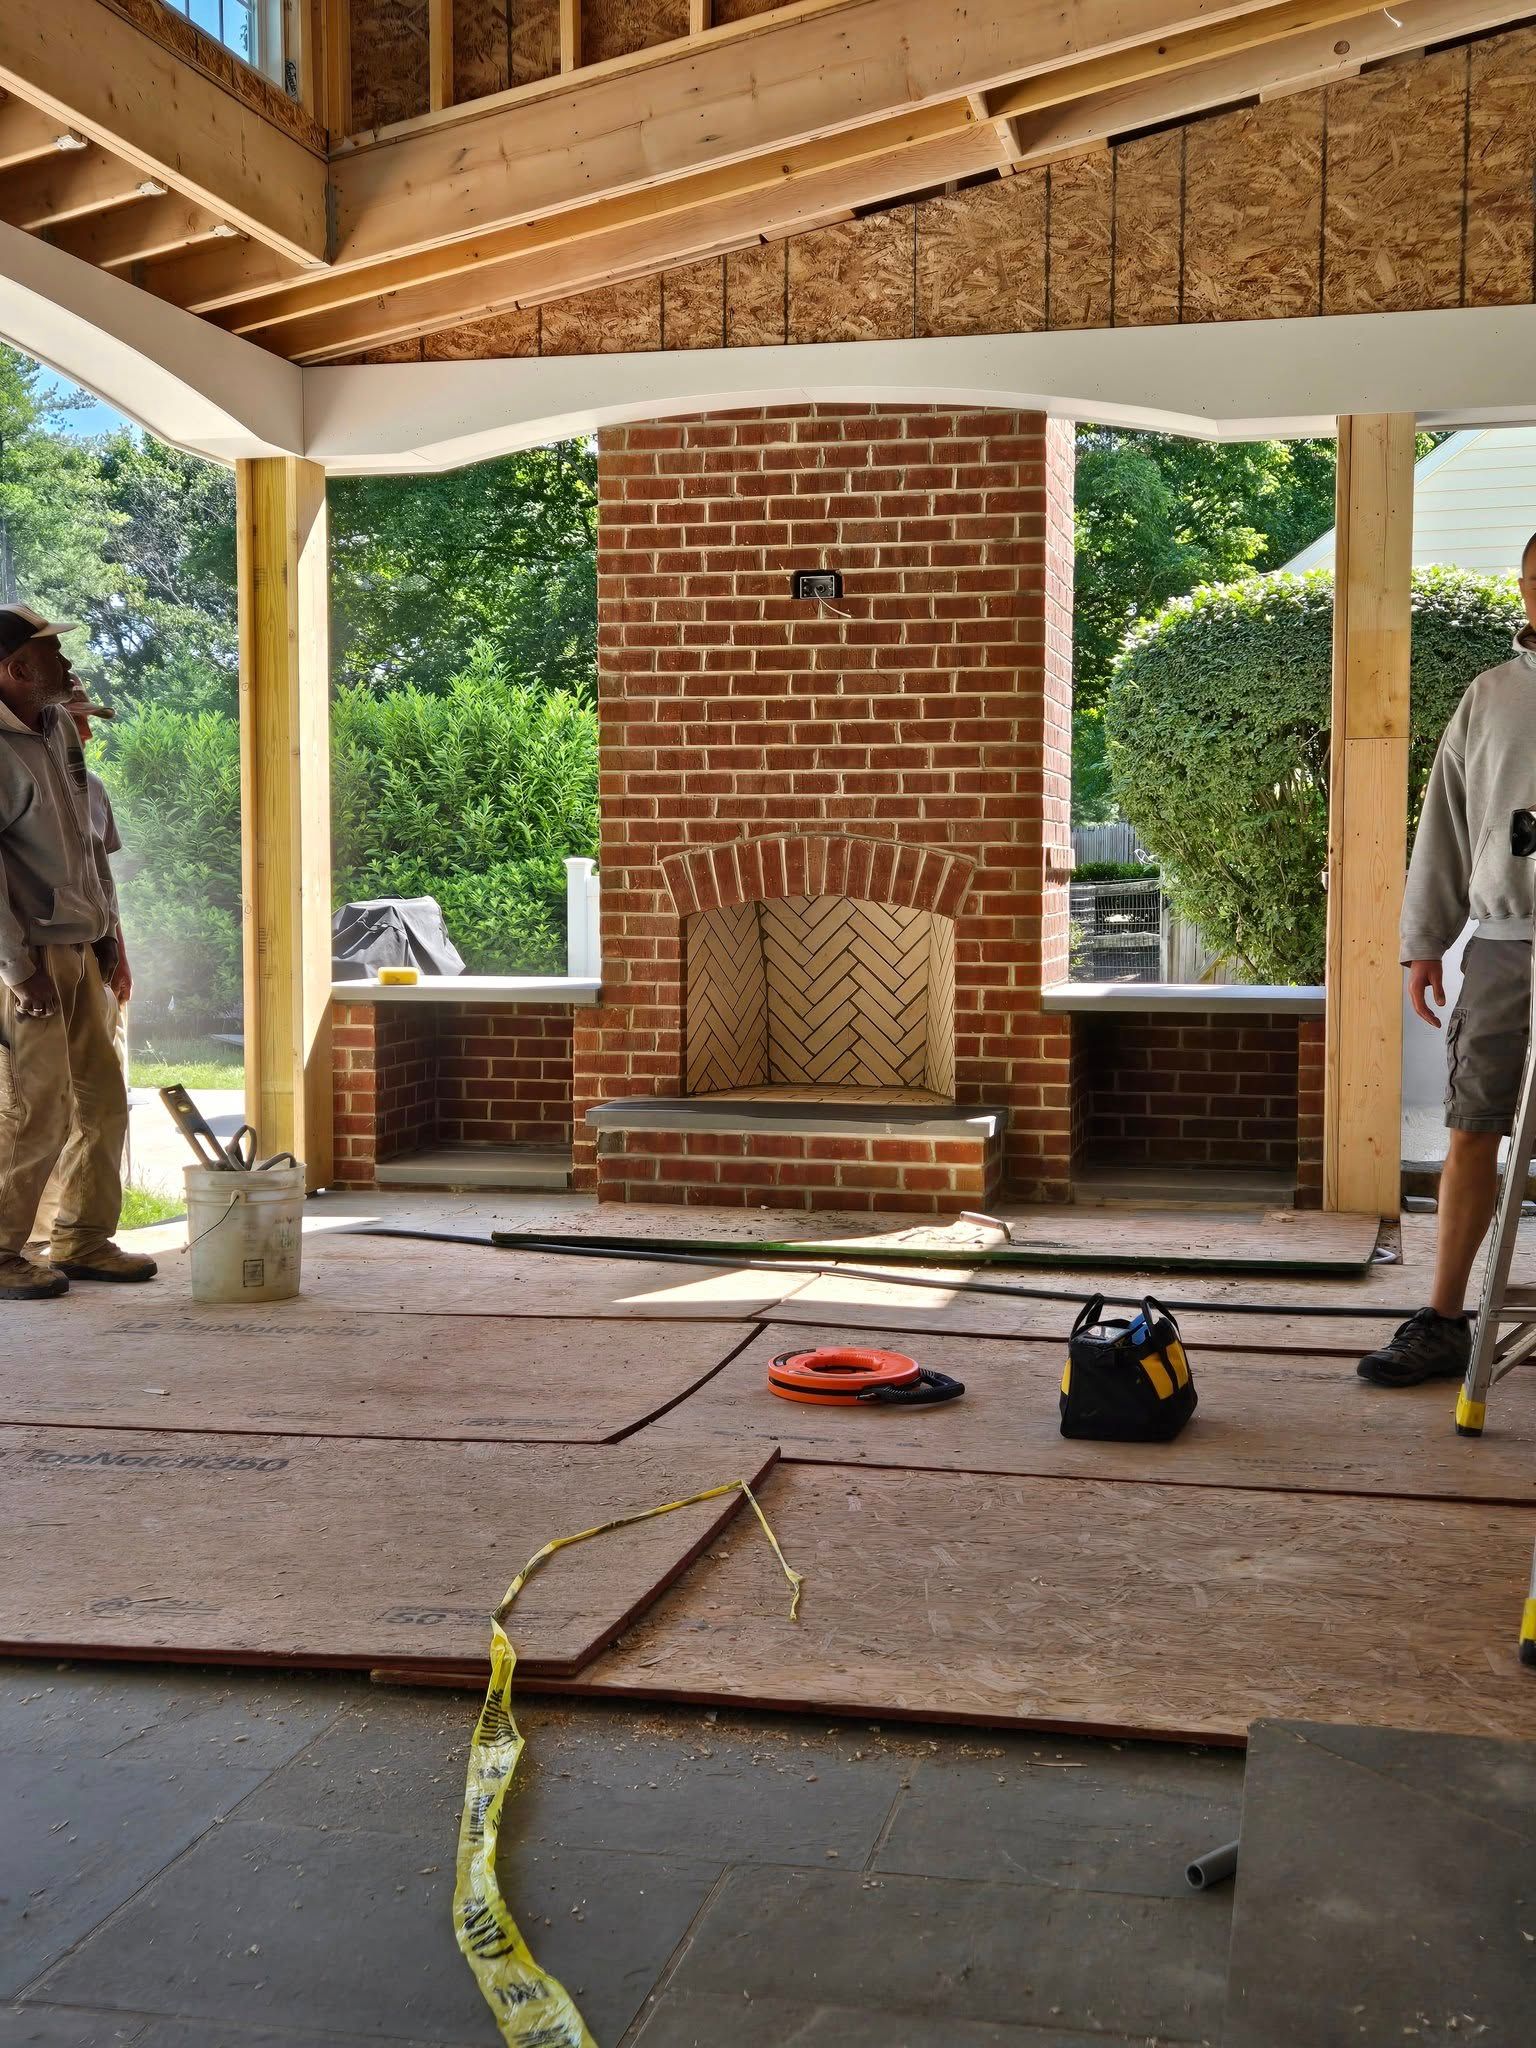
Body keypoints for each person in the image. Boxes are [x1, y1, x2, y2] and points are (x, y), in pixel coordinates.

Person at [1356, 536, 1536, 1387]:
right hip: (1506, 947)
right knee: (1474, 1129)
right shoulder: (1490, 697)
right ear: (1524, 590)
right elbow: (1446, 825)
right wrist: (1425, 938)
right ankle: (1443, 1319)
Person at [0, 604, 156, 1300]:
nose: (68, 664)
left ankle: (83, 1238)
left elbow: (89, 855)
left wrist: (107, 936)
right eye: (52, 654)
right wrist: (17, 968)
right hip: (29, 956)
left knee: (102, 1102)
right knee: (39, 1109)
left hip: (81, 946)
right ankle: (3, 1251)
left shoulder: (58, 727)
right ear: (16, 670)